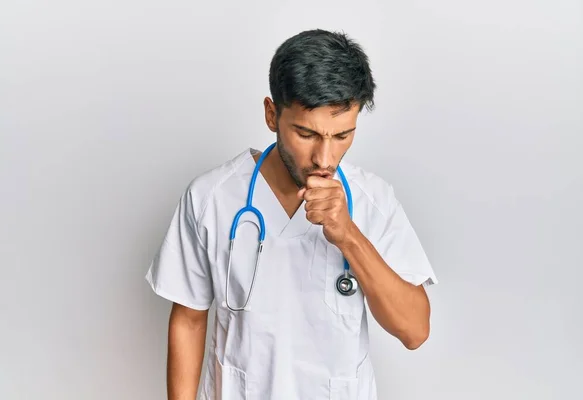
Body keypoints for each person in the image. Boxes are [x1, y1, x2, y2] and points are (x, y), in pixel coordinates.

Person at [146, 28, 438, 400]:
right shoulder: (211, 198)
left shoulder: (372, 201)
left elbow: (414, 330)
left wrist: (347, 234)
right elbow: (188, 321)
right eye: (306, 134)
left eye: (342, 136)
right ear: (272, 115)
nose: (325, 158)